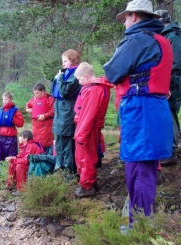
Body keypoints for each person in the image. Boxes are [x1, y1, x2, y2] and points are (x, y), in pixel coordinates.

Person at [103, 0, 173, 225]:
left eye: (125, 18)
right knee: (147, 168)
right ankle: (142, 222)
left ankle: (139, 228)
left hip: (140, 109)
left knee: (138, 169)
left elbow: (113, 72)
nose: (124, 22)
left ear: (134, 16)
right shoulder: (162, 40)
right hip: (156, 109)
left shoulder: (138, 39)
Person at [73, 62, 113, 198]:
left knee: (85, 157)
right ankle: (91, 182)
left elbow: (88, 115)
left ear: (85, 76)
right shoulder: (100, 87)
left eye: (79, 79)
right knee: (88, 155)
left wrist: (80, 135)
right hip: (91, 127)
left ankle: (87, 186)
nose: (79, 82)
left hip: (87, 128)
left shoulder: (93, 90)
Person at [155, 9, 181, 166]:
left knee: (169, 112)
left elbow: (176, 64)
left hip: (172, 83)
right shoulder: (166, 35)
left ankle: (172, 152)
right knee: (167, 112)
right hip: (168, 82)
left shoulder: (174, 36)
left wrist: (167, 84)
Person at [50, 49, 82, 176]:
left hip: (68, 112)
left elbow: (65, 92)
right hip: (60, 112)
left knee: (68, 145)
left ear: (73, 60)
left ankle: (70, 173)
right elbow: (54, 91)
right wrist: (58, 77)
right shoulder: (65, 73)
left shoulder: (76, 74)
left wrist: (60, 78)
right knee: (59, 143)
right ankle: (60, 170)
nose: (63, 64)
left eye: (65, 61)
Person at [0, 92, 24, 164]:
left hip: (10, 136)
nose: (4, 101)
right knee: (0, 156)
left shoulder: (15, 110)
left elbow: (21, 123)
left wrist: (13, 119)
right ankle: (0, 173)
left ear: (10, 99)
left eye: (6, 99)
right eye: (3, 99)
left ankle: (12, 173)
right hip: (0, 135)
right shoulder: (0, 110)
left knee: (11, 156)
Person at [26, 83, 55, 153]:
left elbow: (54, 111)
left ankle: (47, 160)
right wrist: (28, 110)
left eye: (37, 93)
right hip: (35, 126)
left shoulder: (50, 99)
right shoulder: (34, 99)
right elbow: (28, 105)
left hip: (46, 126)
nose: (35, 95)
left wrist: (45, 115)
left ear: (43, 91)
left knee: (46, 145)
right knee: (37, 145)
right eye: (35, 93)